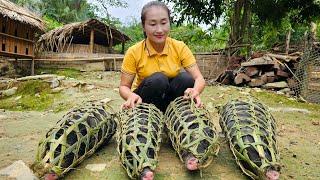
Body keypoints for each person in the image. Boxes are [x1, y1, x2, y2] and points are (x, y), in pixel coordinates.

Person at [119, 1, 206, 179]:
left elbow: (199, 79)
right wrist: (131, 95)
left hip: (170, 102)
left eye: (163, 22)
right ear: (143, 26)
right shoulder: (134, 52)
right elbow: (123, 87)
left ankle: (183, 141)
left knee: (185, 79)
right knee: (158, 79)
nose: (159, 29)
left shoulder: (179, 47)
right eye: (152, 24)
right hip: (147, 100)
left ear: (169, 23)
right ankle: (144, 157)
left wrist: (195, 91)